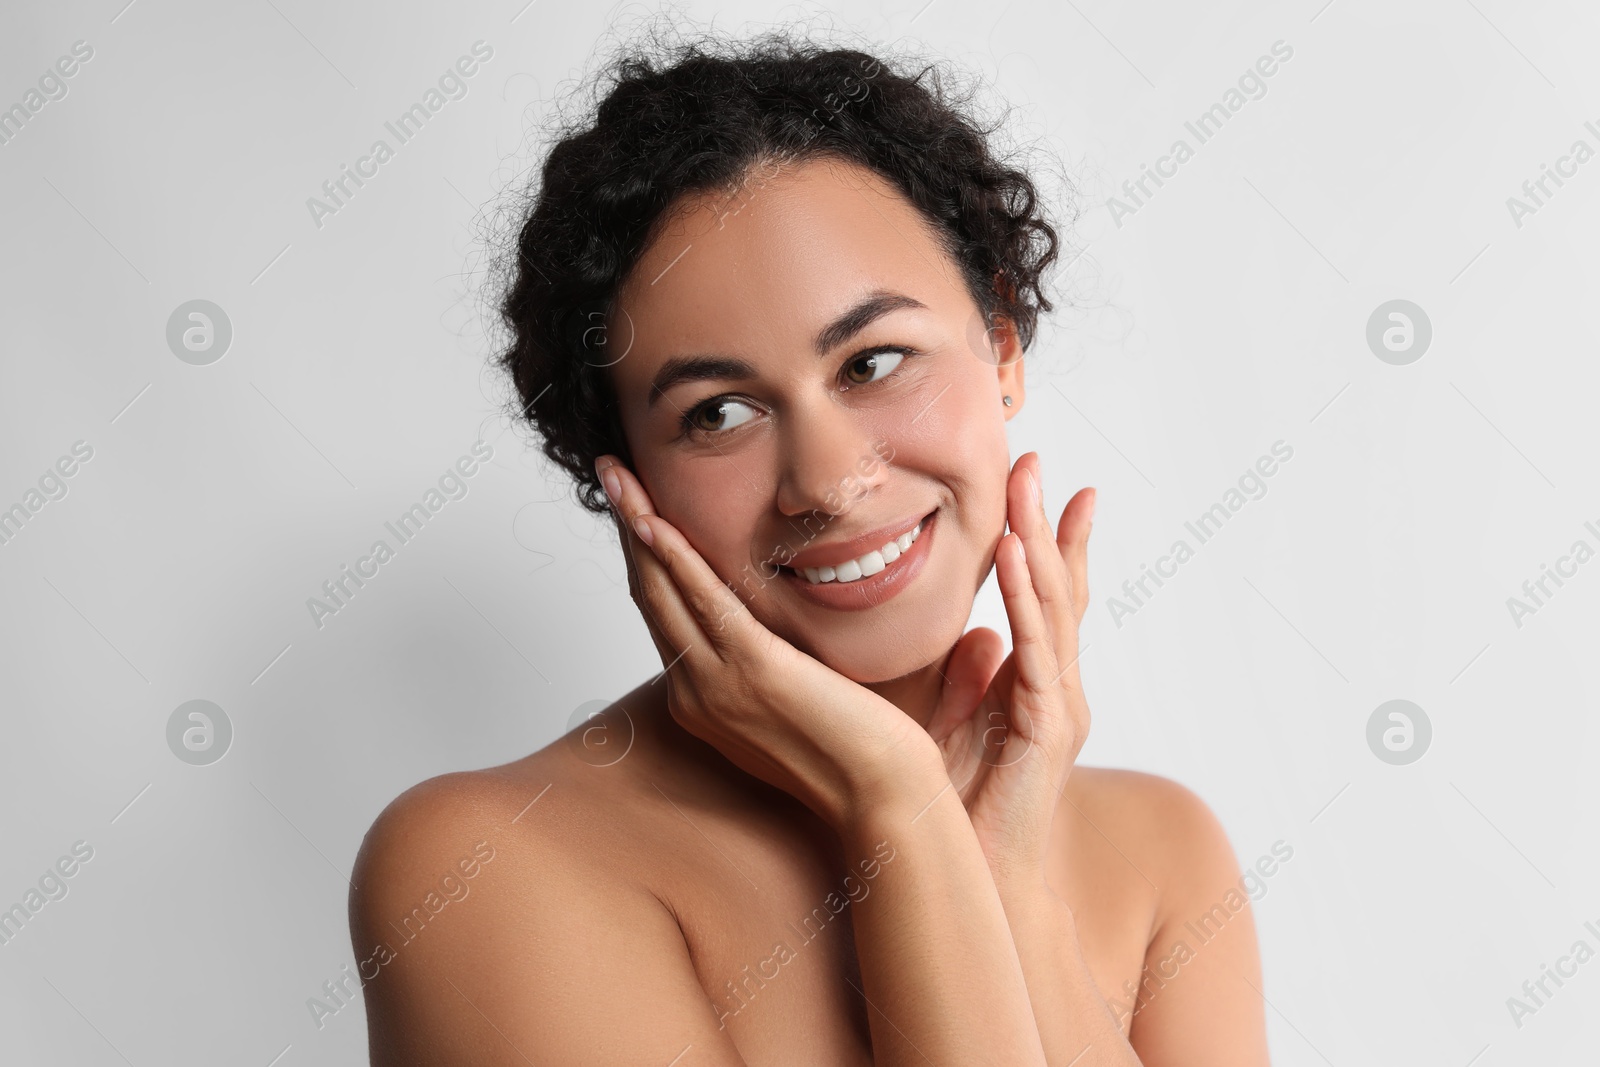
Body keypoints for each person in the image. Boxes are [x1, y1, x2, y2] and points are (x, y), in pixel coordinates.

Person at [349, 24, 1270, 1066]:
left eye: (875, 360)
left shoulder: (1163, 852)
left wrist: (1006, 884)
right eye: (718, 414)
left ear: (1001, 349)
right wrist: (903, 810)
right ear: (628, 480)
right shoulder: (480, 866)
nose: (828, 483)